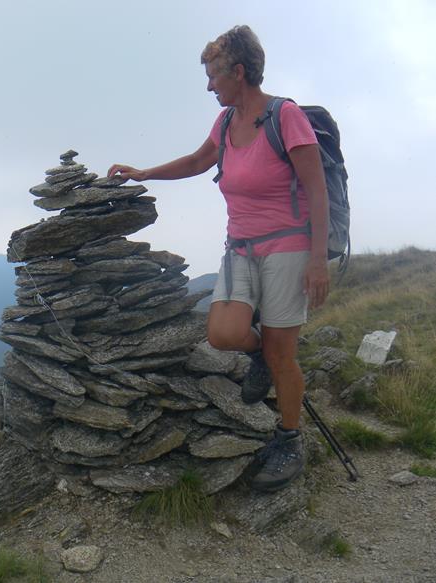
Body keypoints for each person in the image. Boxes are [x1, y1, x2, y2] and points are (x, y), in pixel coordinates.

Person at [107, 25, 329, 492]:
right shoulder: (226, 123)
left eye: (214, 76)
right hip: (241, 247)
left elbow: (316, 189)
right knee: (224, 333)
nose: (209, 86)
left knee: (282, 352)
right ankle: (261, 358)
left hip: (288, 246)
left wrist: (317, 260)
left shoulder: (284, 116)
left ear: (239, 72)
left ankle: (290, 439)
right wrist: (143, 173)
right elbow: (196, 161)